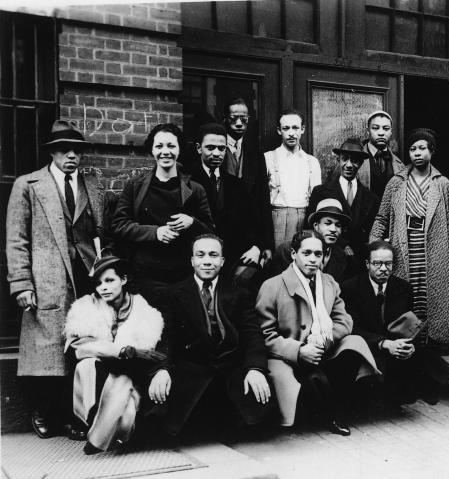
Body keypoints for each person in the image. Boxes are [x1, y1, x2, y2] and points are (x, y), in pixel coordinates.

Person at [6, 120, 105, 439]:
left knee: (81, 348)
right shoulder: (29, 184)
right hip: (47, 279)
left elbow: (101, 232)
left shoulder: (92, 185)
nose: (71, 155)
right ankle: (42, 411)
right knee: (46, 351)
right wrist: (21, 283)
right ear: (52, 153)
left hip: (86, 277)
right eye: (64, 150)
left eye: (77, 150)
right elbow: (17, 238)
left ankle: (73, 416)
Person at [257, 230, 379, 435]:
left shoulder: (329, 283)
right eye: (307, 253)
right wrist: (299, 350)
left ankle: (334, 411)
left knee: (353, 344)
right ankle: (327, 413)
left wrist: (325, 339)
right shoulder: (272, 286)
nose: (313, 259)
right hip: (290, 356)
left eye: (318, 254)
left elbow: (344, 320)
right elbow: (265, 334)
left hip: (323, 348)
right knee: (314, 381)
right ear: (294, 254)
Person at [158, 234, 273, 437]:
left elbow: (252, 334)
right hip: (192, 372)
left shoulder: (239, 292)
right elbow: (166, 337)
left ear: (222, 261)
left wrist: (255, 368)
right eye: (200, 255)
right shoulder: (173, 293)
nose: (207, 261)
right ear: (192, 260)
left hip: (230, 371)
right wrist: (162, 370)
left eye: (213, 255)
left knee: (256, 421)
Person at [64, 256, 166, 454]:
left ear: (124, 280)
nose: (103, 287)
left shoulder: (141, 308)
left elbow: (145, 351)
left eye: (109, 280)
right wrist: (119, 351)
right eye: (98, 283)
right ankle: (102, 425)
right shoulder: (86, 307)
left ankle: (99, 434)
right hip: (95, 376)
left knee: (123, 381)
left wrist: (129, 355)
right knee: (87, 365)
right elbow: (80, 347)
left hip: (129, 373)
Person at [370, 128, 449, 349]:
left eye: (422, 148)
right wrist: (374, 246)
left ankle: (430, 355)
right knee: (407, 298)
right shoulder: (396, 182)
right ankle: (407, 350)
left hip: (434, 250)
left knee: (430, 301)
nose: (417, 153)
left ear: (431, 151)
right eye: (412, 149)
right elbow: (381, 217)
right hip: (404, 247)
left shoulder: (442, 183)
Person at [111, 123, 214, 306]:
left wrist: (192, 222)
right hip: (145, 276)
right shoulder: (135, 186)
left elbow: (211, 232)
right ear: (152, 149)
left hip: (183, 276)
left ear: (179, 149)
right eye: (159, 146)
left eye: (171, 146)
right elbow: (119, 224)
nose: (165, 152)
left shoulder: (195, 189)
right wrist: (155, 232)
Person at [341, 240, 449, 406]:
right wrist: (384, 343)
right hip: (367, 346)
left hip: (395, 346)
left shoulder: (403, 288)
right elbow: (352, 329)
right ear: (367, 264)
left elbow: (407, 324)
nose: (383, 269)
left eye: (388, 263)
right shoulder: (350, 288)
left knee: (424, 360)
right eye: (377, 263)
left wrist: (408, 345)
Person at [189, 122, 266, 278]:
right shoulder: (187, 182)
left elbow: (253, 222)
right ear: (198, 148)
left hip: (231, 259)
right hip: (199, 262)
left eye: (221, 148)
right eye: (210, 148)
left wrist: (256, 247)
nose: (217, 153)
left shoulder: (236, 184)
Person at [307, 138, 379, 260]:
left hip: (359, 261)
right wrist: (341, 244)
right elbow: (311, 228)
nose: (349, 165)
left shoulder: (371, 198)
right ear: (338, 160)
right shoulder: (320, 192)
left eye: (355, 160)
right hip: (329, 258)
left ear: (361, 163)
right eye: (345, 159)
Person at [223, 98, 274, 261]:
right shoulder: (215, 150)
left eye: (243, 119)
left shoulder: (256, 154)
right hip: (222, 232)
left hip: (250, 237)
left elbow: (263, 201)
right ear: (224, 119)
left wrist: (266, 244)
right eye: (234, 118)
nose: (239, 123)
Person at [265, 109, 321, 248]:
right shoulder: (268, 158)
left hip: (304, 217)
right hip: (277, 218)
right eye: (286, 128)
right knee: (279, 258)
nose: (291, 133)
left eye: (295, 128)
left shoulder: (311, 162)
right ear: (279, 130)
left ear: (302, 129)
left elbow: (316, 198)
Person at [269, 199, 358, 283]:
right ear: (316, 225)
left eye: (338, 225)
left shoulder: (342, 256)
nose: (333, 229)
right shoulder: (287, 251)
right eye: (328, 223)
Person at [357, 111, 405, 199]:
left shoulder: (399, 165)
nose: (381, 133)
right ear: (368, 131)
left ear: (391, 132)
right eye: (375, 128)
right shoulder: (355, 158)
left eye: (386, 128)